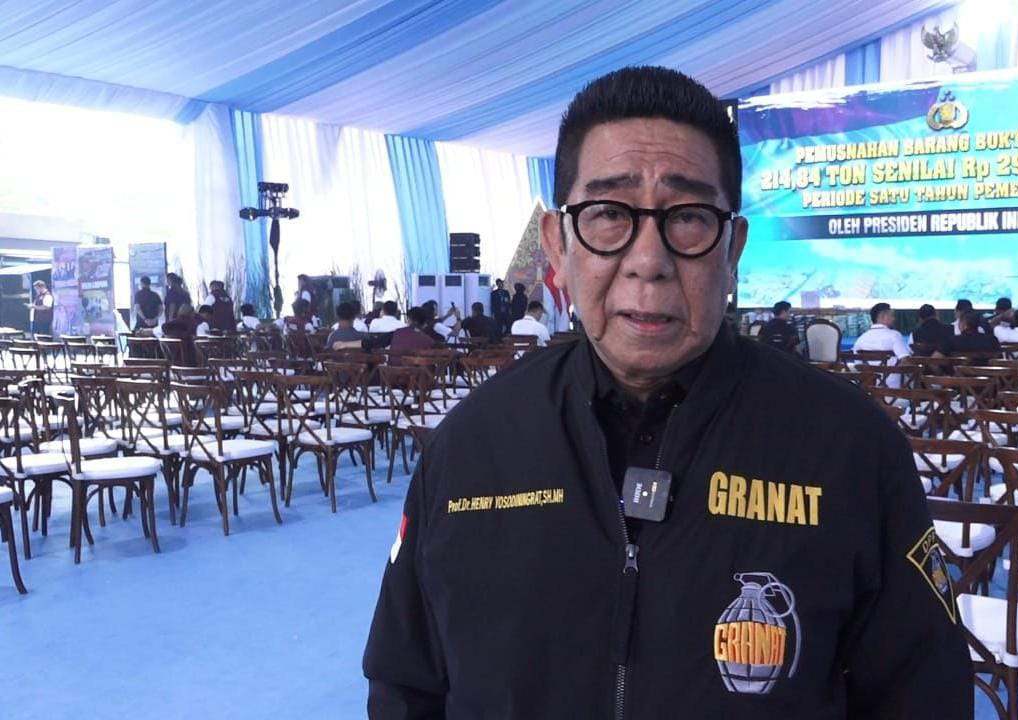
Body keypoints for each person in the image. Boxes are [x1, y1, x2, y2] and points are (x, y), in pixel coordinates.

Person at [363, 66, 971, 719]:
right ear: (557, 245)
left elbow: (922, 696)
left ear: (732, 250)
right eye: (607, 214)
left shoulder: (849, 447)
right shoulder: (472, 442)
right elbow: (406, 686)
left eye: (688, 218)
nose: (647, 261)